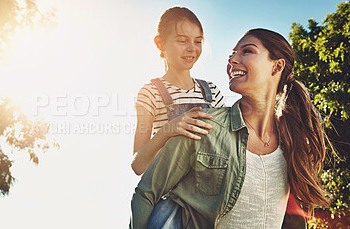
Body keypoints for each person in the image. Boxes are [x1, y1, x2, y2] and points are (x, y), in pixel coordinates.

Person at [130, 28, 330, 229]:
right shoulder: (202, 126)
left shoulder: (291, 141)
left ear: (277, 66)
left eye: (247, 51)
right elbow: (146, 193)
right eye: (232, 54)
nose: (233, 60)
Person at [132, 6, 225, 176]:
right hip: (169, 196)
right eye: (182, 41)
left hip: (208, 196)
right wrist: (168, 129)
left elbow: (225, 148)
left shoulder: (212, 92)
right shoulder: (151, 93)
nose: (191, 48)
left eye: (198, 41)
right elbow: (138, 165)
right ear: (160, 43)